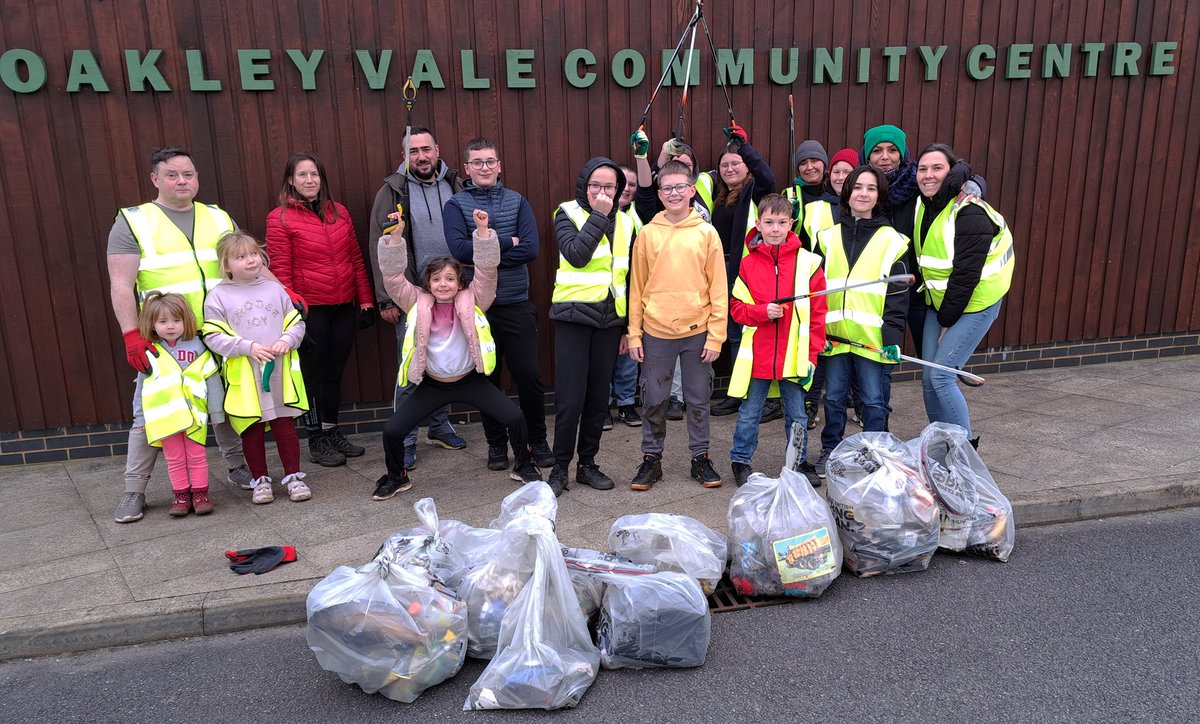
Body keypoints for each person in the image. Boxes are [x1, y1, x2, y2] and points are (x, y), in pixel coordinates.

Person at [106, 147, 277, 523]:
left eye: (188, 174)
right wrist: (131, 334)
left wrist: (283, 292)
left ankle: (237, 468)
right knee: (150, 415)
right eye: (172, 175)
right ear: (155, 179)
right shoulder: (134, 221)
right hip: (167, 340)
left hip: (221, 331)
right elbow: (121, 284)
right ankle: (134, 491)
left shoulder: (217, 216)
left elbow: (246, 260)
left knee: (227, 408)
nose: (182, 181)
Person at [376, 209, 542, 500]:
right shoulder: (416, 302)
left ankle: (524, 464)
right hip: (433, 384)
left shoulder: (474, 299)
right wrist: (395, 238)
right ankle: (396, 476)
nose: (443, 284)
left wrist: (483, 234)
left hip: (470, 381)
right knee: (392, 431)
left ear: (460, 283)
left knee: (515, 417)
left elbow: (487, 271)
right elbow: (392, 278)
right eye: (437, 279)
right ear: (428, 284)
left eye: (450, 279)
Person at [444, 138, 553, 471]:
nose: (485, 168)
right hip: (478, 307)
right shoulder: (455, 205)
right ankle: (496, 444)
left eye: (490, 161)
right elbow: (460, 251)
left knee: (528, 376)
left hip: (516, 302)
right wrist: (507, 241)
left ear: (499, 165)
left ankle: (537, 440)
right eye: (477, 162)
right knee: (487, 378)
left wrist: (485, 250)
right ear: (466, 168)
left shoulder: (517, 201)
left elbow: (531, 248)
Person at [367, 126, 467, 471]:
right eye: (413, 151)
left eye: (426, 149)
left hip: (451, 293)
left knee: (441, 363)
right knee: (411, 370)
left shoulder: (455, 185)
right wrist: (386, 298)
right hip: (410, 296)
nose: (421, 157)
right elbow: (379, 247)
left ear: (437, 150)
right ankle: (406, 439)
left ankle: (438, 427)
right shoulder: (393, 191)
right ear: (404, 156)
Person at [267, 151, 373, 468]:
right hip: (309, 310)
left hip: (343, 306)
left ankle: (331, 430)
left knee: (334, 374)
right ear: (290, 180)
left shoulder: (338, 212)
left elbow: (355, 258)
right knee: (312, 377)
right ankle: (316, 439)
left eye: (314, 174)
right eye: (302, 175)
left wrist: (366, 300)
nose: (310, 180)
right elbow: (281, 274)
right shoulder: (280, 218)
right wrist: (293, 314)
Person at [626, 160, 728, 491]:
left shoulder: (706, 233)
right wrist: (634, 333)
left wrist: (716, 336)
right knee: (654, 397)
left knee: (698, 398)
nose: (673, 193)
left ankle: (700, 458)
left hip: (697, 331)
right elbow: (636, 288)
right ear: (659, 193)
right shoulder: (647, 233)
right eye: (667, 188)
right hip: (656, 331)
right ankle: (651, 460)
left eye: (680, 187)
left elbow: (718, 289)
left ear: (691, 190)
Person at [912, 143, 1015, 445]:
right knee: (929, 379)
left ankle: (964, 453)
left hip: (975, 302)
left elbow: (965, 276)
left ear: (953, 171)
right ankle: (941, 444)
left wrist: (946, 323)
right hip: (942, 302)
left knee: (942, 377)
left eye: (937, 168)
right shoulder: (924, 204)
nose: (928, 175)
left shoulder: (969, 212)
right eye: (922, 169)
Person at [813, 166, 910, 479]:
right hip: (835, 338)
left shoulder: (892, 241)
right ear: (847, 192)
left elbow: (898, 298)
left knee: (872, 401)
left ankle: (876, 453)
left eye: (871, 188)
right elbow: (814, 291)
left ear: (879, 195)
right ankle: (831, 450)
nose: (863, 194)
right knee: (834, 398)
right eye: (858, 188)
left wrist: (892, 340)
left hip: (873, 341)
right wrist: (817, 332)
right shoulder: (826, 238)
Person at [202, 232, 311, 505]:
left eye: (254, 254)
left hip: (278, 373)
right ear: (226, 265)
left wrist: (287, 340)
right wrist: (247, 347)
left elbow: (296, 322)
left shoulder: (275, 289)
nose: (250, 260)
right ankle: (260, 480)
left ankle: (293, 476)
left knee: (284, 425)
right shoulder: (218, 296)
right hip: (245, 377)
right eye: (241, 257)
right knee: (251, 428)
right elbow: (212, 336)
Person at [728, 195, 828, 487]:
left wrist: (811, 355)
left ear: (791, 224)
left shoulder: (808, 263)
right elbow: (737, 309)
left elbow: (818, 314)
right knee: (749, 413)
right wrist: (762, 312)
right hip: (758, 356)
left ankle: (798, 462)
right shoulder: (748, 264)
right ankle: (740, 460)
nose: (775, 228)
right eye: (769, 222)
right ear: (758, 223)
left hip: (793, 355)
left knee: (797, 413)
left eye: (781, 222)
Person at [548, 157, 632, 495]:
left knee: (599, 399)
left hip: (611, 322)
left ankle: (587, 465)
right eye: (595, 185)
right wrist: (598, 214)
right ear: (585, 185)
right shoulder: (566, 213)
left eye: (609, 186)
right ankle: (558, 469)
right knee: (570, 400)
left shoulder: (627, 222)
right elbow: (576, 255)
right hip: (573, 317)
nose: (602, 191)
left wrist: (629, 328)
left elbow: (632, 277)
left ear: (618, 189)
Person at [702, 125, 778, 418]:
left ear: (747, 167)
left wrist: (745, 146)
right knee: (733, 333)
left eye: (736, 162)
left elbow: (768, 178)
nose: (730, 168)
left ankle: (759, 396)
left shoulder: (754, 191)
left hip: (746, 270)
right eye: (724, 164)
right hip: (721, 268)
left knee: (750, 333)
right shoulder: (719, 196)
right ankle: (737, 392)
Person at [135, 292, 221, 516]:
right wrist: (141, 418)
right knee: (174, 458)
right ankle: (181, 495)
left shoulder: (198, 348)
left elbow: (212, 379)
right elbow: (141, 388)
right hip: (165, 418)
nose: (170, 326)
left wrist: (217, 412)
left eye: (176, 320)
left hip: (194, 416)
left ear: (187, 320)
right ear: (152, 324)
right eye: (163, 321)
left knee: (196, 455)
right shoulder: (150, 351)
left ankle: (201, 494)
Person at [803, 146, 860, 430]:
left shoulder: (865, 206)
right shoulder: (815, 207)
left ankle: (859, 406)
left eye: (846, 171)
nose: (840, 176)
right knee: (821, 353)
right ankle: (811, 407)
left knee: (857, 354)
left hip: (857, 295)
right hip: (823, 290)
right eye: (836, 171)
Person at [608, 164, 643, 429]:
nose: (627, 188)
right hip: (597, 300)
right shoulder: (588, 215)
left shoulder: (637, 218)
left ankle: (627, 403)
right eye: (622, 182)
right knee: (603, 359)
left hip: (629, 298)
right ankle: (603, 405)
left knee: (629, 356)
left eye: (632, 184)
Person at [784, 140, 840, 251]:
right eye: (803, 163)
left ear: (824, 164)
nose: (809, 167)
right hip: (800, 261)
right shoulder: (789, 195)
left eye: (814, 161)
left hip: (831, 260)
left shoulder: (836, 190)